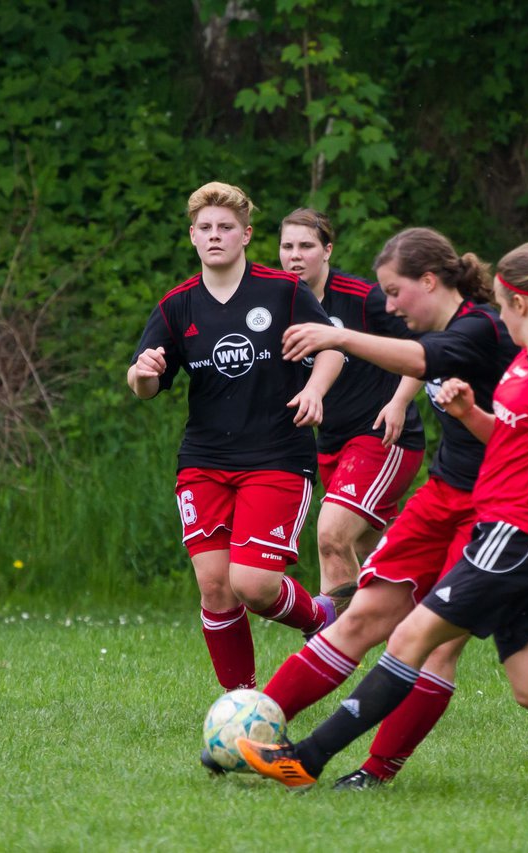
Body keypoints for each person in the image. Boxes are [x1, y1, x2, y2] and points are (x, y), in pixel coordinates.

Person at [237, 242, 528, 807]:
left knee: (412, 637)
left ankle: (304, 760)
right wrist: (470, 416)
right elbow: (514, 441)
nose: (497, 318)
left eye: (503, 308)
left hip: (519, 532)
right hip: (526, 535)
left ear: (518, 304)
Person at [259, 226, 521, 788]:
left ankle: (374, 772)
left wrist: (340, 338)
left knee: (438, 648)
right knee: (362, 615)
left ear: (430, 281)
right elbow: (398, 334)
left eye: (397, 294)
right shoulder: (421, 315)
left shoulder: (480, 329)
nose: (390, 306)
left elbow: (422, 359)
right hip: (443, 493)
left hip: (494, 510)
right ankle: (254, 731)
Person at [127, 181, 346, 700]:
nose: (215, 235)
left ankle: (320, 614)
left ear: (246, 234)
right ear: (192, 237)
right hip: (203, 460)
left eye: (226, 227)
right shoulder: (177, 305)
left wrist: (314, 390)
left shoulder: (283, 292)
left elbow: (334, 348)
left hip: (277, 456)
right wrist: (144, 371)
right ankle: (243, 702)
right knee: (215, 587)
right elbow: (144, 386)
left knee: (253, 585)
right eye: (205, 228)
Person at [278, 209, 426, 607]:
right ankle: (427, 617)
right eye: (287, 246)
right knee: (375, 551)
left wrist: (399, 402)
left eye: (306, 246)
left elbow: (424, 352)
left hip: (383, 436)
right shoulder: (277, 302)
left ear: (327, 250)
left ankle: (329, 644)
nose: (295, 256)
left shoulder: (364, 298)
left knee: (331, 535)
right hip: (331, 444)